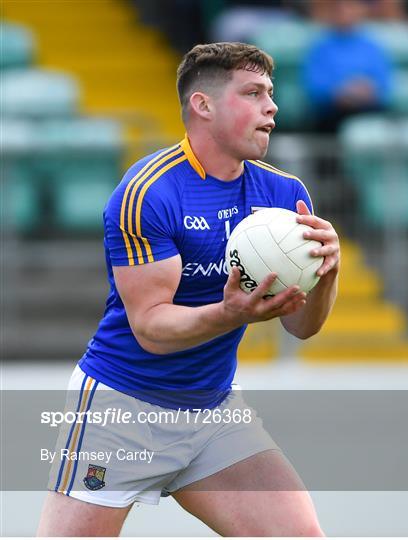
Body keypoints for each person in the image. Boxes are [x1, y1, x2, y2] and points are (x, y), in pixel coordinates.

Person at [37, 42, 340, 537]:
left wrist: (329, 271)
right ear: (203, 105)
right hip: (122, 410)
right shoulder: (148, 192)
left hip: (213, 410)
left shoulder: (287, 197)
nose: (272, 106)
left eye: (271, 93)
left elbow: (302, 327)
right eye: (254, 92)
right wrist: (231, 313)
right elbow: (152, 329)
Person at [302, 0, 393, 132]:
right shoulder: (320, 47)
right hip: (332, 113)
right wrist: (341, 93)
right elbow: (314, 86)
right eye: (340, 8)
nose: (345, 12)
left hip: (368, 111)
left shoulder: (373, 47)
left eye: (350, 7)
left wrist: (365, 91)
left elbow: (384, 85)